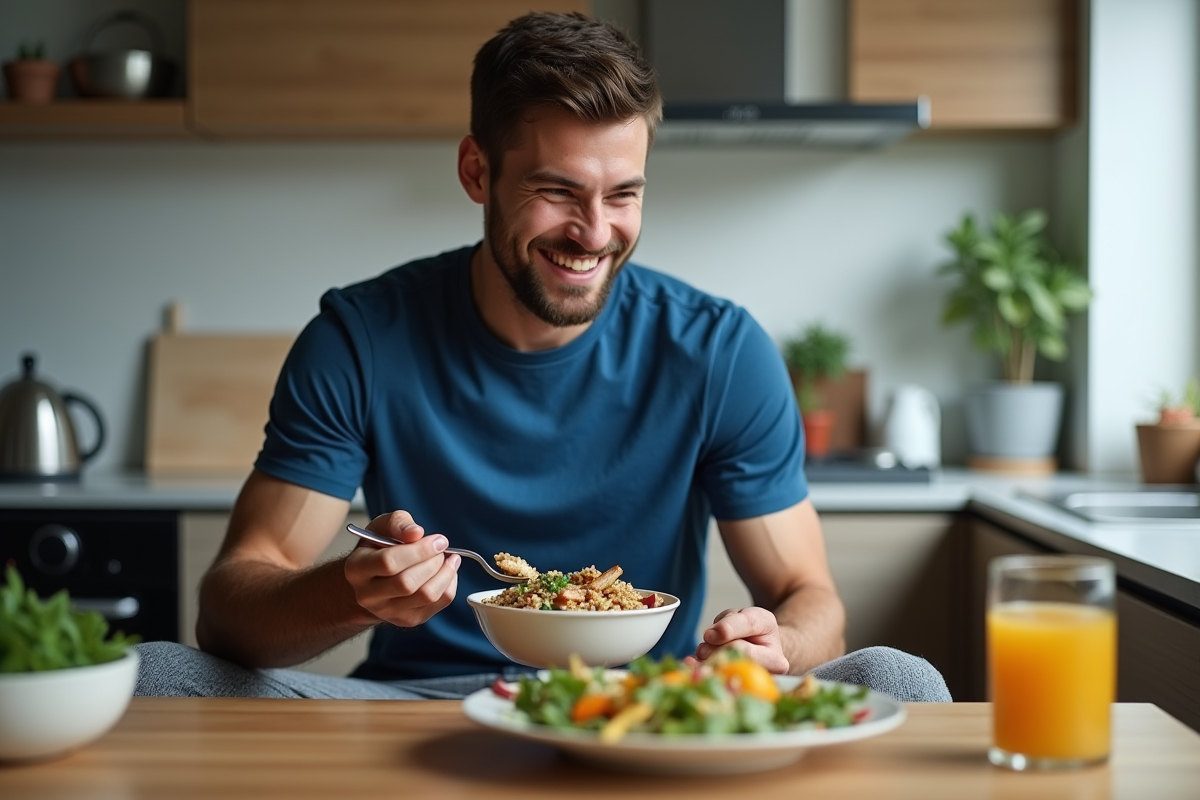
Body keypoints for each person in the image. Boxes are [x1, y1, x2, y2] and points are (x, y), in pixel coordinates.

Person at [135, 11, 950, 703]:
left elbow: (811, 600)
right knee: (157, 673)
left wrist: (778, 644)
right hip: (416, 703)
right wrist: (351, 591)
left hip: (644, 704)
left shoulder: (720, 351)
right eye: (558, 191)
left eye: (623, 194)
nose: (594, 233)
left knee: (901, 678)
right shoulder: (361, 338)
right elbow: (231, 607)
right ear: (477, 172)